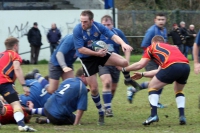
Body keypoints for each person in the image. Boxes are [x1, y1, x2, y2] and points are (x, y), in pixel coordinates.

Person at [73, 10, 140, 125]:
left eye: (85, 21)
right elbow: (81, 49)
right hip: (87, 59)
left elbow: (113, 36)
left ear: (91, 21)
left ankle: (128, 79)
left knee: (124, 62)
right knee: (94, 88)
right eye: (81, 21)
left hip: (101, 53)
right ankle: (100, 112)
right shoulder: (77, 29)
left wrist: (123, 44)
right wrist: (97, 53)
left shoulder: (98, 27)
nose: (82, 24)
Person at [120, 35, 189, 125]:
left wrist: (125, 69)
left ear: (153, 42)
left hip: (172, 66)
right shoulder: (172, 47)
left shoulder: (152, 47)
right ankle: (182, 116)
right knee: (178, 90)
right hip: (186, 66)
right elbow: (159, 71)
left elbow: (140, 65)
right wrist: (142, 74)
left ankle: (153, 115)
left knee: (152, 86)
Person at [0, 37, 36, 131]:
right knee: (16, 105)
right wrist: (24, 85)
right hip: (4, 83)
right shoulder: (14, 54)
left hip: (5, 82)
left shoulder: (1, 54)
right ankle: (21, 125)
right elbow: (16, 68)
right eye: (18, 46)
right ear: (15, 46)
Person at [98, 15, 131, 116]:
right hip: (103, 63)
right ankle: (108, 109)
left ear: (112, 24)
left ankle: (107, 104)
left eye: (108, 24)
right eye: (104, 25)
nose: (106, 26)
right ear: (101, 25)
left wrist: (125, 62)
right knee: (107, 82)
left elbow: (127, 48)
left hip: (116, 64)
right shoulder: (97, 34)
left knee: (113, 88)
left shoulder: (117, 33)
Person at [140, 13, 168, 108]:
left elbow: (163, 45)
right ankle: (154, 104)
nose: (161, 21)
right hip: (151, 60)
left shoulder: (164, 30)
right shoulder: (152, 31)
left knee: (160, 80)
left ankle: (134, 89)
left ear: (165, 20)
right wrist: (153, 56)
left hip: (159, 60)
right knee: (156, 81)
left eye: (162, 19)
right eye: (159, 19)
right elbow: (144, 45)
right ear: (155, 20)